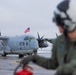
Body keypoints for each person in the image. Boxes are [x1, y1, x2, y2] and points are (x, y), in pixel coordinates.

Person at [14, 0, 76, 75]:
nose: (59, 28)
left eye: (61, 23)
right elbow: (53, 63)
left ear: (70, 21)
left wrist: (68, 68)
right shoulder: (59, 41)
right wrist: (35, 58)